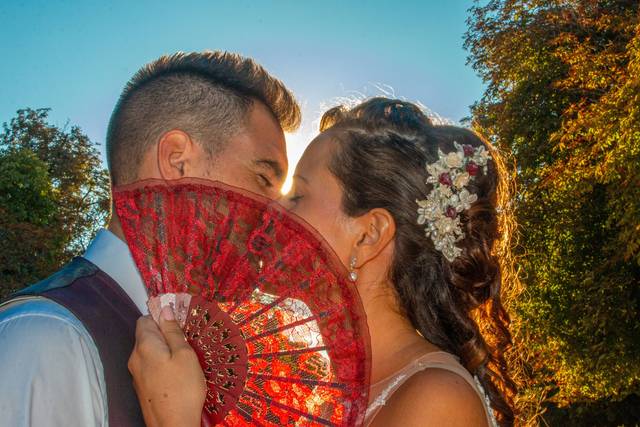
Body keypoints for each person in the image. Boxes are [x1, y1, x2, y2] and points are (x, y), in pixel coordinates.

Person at [128, 97, 517, 426]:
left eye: (297, 196)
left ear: (367, 235)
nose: (270, 211)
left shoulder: (438, 401)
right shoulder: (325, 392)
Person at [0, 51, 300, 426]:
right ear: (176, 162)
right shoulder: (49, 339)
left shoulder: (194, 352)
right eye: (263, 179)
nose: (278, 217)